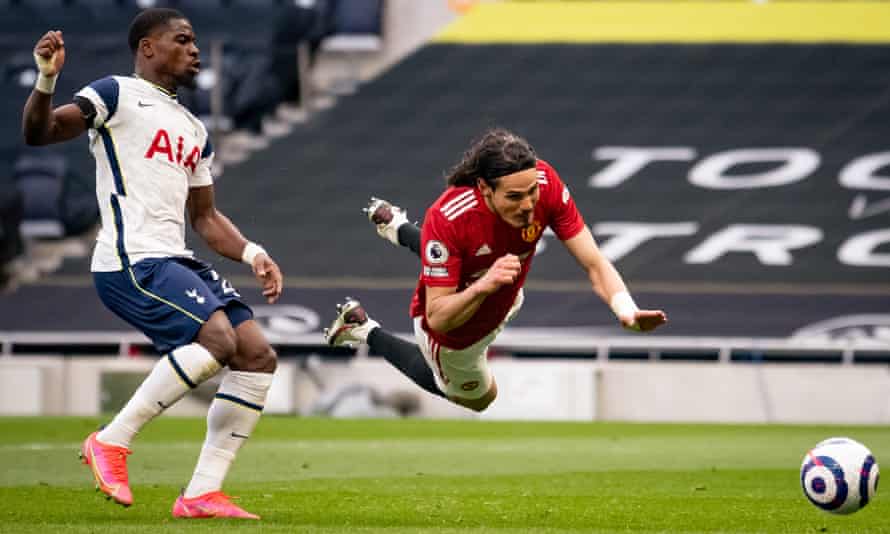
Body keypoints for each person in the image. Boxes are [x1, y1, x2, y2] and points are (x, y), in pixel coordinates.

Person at [22, 8, 283, 519]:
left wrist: (253, 252)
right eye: (183, 40)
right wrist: (47, 77)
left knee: (255, 354)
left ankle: (201, 493)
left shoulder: (193, 127)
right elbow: (43, 132)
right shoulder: (115, 93)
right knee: (216, 341)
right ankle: (112, 441)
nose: (195, 50)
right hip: (130, 257)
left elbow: (205, 217)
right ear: (148, 48)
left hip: (175, 257)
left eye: (196, 42)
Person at [324, 128, 667, 412]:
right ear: (485, 189)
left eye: (532, 192)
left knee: (477, 264)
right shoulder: (449, 217)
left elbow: (594, 262)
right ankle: (363, 328)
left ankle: (397, 227)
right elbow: (437, 316)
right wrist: (483, 286)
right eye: (515, 197)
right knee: (480, 400)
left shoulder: (544, 184)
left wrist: (626, 310)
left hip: (507, 295)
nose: (529, 205)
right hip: (456, 334)